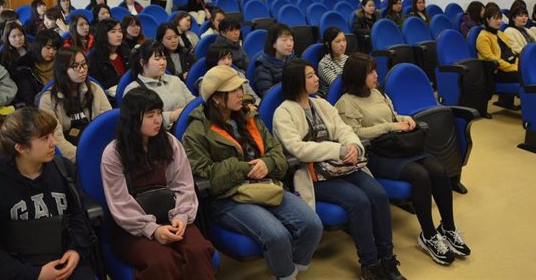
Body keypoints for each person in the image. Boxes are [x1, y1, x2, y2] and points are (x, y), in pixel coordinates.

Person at [183, 65, 323, 280]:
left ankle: (287, 270)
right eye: (233, 90)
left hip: (266, 184)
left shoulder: (250, 116)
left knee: (312, 225)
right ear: (216, 99)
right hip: (229, 197)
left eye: (241, 87)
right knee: (277, 236)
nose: (241, 93)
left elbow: (277, 152)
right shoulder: (196, 132)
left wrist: (267, 164)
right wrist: (244, 168)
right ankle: (285, 274)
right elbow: (208, 176)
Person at [273, 59, 405, 280]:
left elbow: (344, 130)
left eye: (315, 74)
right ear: (297, 81)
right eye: (310, 76)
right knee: (359, 201)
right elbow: (298, 149)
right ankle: (370, 265)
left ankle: (387, 259)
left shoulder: (321, 104)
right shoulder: (283, 113)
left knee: (379, 195)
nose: (317, 79)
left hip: (342, 166)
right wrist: (338, 150)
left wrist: (353, 146)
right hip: (313, 174)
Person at [336, 53, 470, 266]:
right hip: (376, 154)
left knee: (438, 169)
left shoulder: (378, 93)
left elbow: (393, 115)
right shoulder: (346, 103)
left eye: (374, 70)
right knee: (420, 175)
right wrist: (391, 126)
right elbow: (355, 133)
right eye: (370, 72)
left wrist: (404, 119)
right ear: (357, 75)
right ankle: (428, 235)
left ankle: (448, 228)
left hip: (397, 146)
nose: (375, 75)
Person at [0, 108, 95, 280]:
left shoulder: (64, 170)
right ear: (20, 148)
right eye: (44, 138)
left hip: (63, 259)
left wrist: (76, 250)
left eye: (52, 135)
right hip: (20, 269)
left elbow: (78, 217)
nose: (54, 143)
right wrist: (35, 275)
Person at [102, 88, 215, 279]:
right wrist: (153, 230)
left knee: (198, 251)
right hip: (133, 227)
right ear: (132, 119)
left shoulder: (169, 142)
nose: (157, 120)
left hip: (171, 216)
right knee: (161, 262)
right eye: (150, 115)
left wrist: (181, 216)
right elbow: (120, 202)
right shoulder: (114, 153)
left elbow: (183, 185)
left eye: (158, 113)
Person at [39, 46, 111, 162]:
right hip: (71, 156)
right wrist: (85, 158)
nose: (82, 70)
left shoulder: (94, 89)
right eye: (75, 66)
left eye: (83, 64)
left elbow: (107, 125)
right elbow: (56, 141)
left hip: (98, 148)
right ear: (63, 70)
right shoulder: (48, 100)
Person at [125, 40, 195, 131]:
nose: (162, 63)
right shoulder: (133, 90)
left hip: (190, 127)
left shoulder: (175, 80)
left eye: (164, 58)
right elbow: (137, 122)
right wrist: (171, 116)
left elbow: (193, 103)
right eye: (157, 59)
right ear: (143, 63)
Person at [476, 5, 519, 110]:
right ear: (487, 20)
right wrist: (513, 67)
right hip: (496, 72)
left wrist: (516, 64)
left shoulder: (501, 34)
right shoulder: (483, 37)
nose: (499, 21)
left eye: (500, 18)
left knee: (528, 71)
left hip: (510, 67)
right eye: (495, 19)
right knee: (525, 76)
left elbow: (512, 52)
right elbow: (493, 59)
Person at [10, 29, 61, 107]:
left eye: (55, 49)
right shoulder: (24, 69)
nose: (51, 52)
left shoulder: (61, 63)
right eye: (48, 48)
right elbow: (29, 100)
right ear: (38, 46)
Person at [88, 18, 130, 96]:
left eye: (120, 31)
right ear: (103, 35)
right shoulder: (94, 57)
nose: (119, 35)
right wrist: (123, 79)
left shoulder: (125, 51)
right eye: (113, 32)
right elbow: (97, 85)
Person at [253, 23, 296, 97]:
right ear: (273, 44)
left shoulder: (293, 59)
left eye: (291, 40)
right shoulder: (263, 67)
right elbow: (268, 96)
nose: (289, 44)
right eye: (284, 40)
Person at [317, 27, 348, 97]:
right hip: (336, 98)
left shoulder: (348, 58)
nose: (343, 44)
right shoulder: (324, 64)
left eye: (344, 40)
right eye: (338, 41)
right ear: (328, 44)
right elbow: (338, 86)